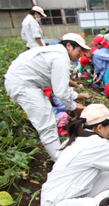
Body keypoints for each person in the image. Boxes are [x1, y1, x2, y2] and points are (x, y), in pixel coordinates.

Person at [4, 33, 89, 161]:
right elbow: (61, 92)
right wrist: (74, 106)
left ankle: (58, 154)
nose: (80, 54)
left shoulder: (56, 52)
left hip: (23, 83)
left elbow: (61, 87)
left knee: (50, 120)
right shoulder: (61, 57)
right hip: (23, 85)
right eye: (79, 50)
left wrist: (76, 100)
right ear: (69, 45)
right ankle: (60, 162)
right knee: (46, 124)